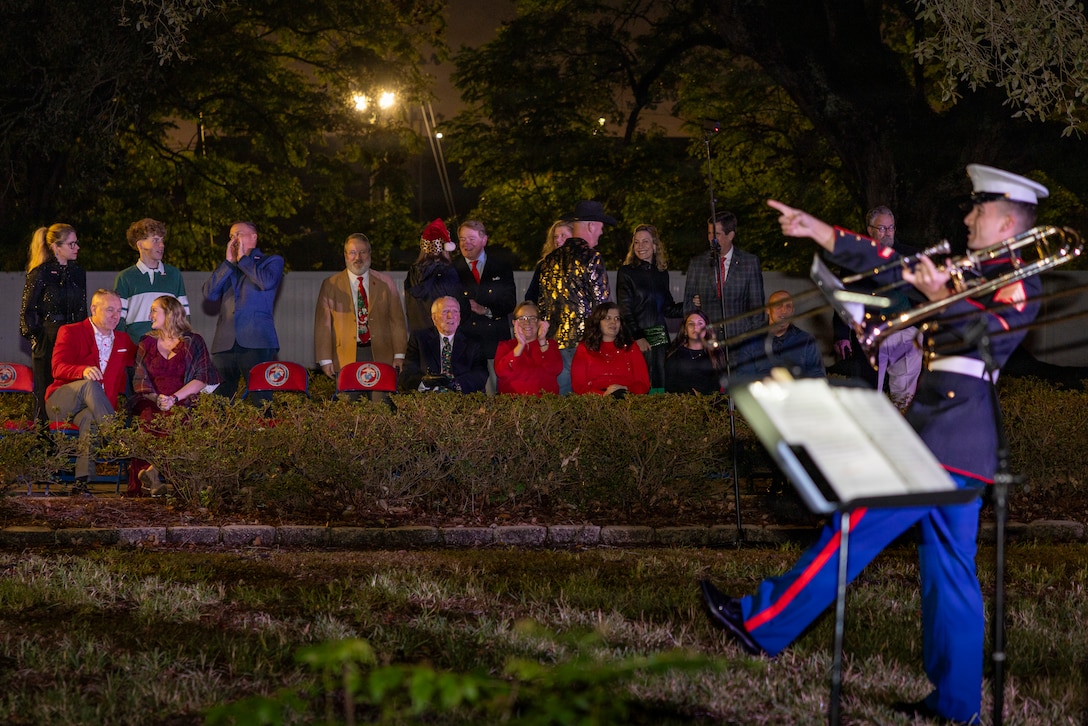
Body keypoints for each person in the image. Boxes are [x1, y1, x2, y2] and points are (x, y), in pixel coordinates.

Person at [700, 164, 1048, 725]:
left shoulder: (1020, 277)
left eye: (978, 211)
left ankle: (760, 625)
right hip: (953, 445)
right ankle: (956, 706)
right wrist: (820, 231)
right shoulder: (969, 269)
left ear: (1007, 222)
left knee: (850, 531)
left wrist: (941, 296)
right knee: (951, 575)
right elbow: (887, 262)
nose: (966, 218)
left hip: (949, 441)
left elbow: (986, 335)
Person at [44, 289, 136, 493]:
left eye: (119, 311)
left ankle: (82, 482)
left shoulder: (123, 340)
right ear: (94, 309)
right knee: (90, 384)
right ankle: (116, 438)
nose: (116, 316)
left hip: (94, 409)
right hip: (62, 401)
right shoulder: (71, 331)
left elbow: (143, 359)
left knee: (90, 419)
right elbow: (57, 368)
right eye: (110, 310)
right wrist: (82, 371)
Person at [127, 296, 220, 496]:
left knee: (181, 421)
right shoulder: (146, 342)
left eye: (154, 310)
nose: (149, 315)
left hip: (185, 400)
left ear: (170, 313)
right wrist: (157, 398)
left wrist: (174, 399)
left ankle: (154, 474)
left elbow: (202, 378)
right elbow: (140, 378)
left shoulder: (193, 341)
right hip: (154, 401)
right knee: (149, 420)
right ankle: (153, 479)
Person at [832, 205, 924, 407]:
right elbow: (845, 298)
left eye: (890, 228)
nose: (887, 233)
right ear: (870, 230)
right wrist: (841, 334)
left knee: (905, 394)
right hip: (871, 332)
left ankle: (900, 425)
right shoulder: (854, 259)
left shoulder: (911, 255)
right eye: (881, 228)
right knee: (869, 392)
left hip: (907, 331)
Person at [314, 233, 409, 393]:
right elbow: (323, 325)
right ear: (345, 255)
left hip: (382, 355)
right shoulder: (330, 285)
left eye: (362, 252)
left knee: (382, 404)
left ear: (369, 254)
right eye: (352, 252)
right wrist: (325, 359)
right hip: (344, 357)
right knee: (350, 405)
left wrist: (399, 355)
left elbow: (397, 321)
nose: (357, 257)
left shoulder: (386, 283)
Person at [536, 200, 613, 394]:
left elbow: (543, 305)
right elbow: (602, 305)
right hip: (585, 345)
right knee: (587, 401)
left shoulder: (549, 260)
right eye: (601, 227)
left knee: (561, 402)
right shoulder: (592, 257)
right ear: (591, 226)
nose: (602, 232)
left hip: (555, 345)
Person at [202, 221, 285, 400]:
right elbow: (209, 293)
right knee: (219, 398)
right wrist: (228, 262)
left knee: (259, 397)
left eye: (238, 234)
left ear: (253, 237)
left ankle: (263, 420)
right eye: (231, 236)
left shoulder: (271, 261)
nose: (234, 239)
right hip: (225, 342)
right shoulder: (227, 267)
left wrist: (243, 259)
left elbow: (266, 282)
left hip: (256, 341)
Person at [683, 211, 765, 377]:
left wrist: (750, 344)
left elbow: (757, 310)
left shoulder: (749, 263)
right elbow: (689, 307)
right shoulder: (697, 264)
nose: (711, 239)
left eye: (717, 234)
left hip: (740, 347)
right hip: (707, 348)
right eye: (709, 233)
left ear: (731, 235)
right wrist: (697, 340)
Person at [20, 223, 88, 424]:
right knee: (44, 390)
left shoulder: (78, 273)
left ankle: (70, 434)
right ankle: (43, 437)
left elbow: (82, 309)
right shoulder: (40, 273)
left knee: (73, 387)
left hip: (72, 338)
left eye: (76, 242)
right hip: (48, 338)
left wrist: (84, 337)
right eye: (71, 244)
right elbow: (27, 312)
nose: (77, 247)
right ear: (56, 247)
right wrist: (38, 340)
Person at [616, 224, 684, 390]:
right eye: (636, 242)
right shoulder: (626, 272)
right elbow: (625, 310)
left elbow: (668, 308)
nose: (640, 246)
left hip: (659, 337)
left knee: (660, 386)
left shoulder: (661, 273)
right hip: (638, 337)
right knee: (640, 386)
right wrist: (638, 337)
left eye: (645, 241)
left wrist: (692, 304)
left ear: (654, 245)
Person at [452, 220, 516, 395]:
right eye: (462, 239)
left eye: (471, 238)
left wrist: (486, 310)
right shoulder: (452, 270)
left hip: (494, 345)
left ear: (484, 240)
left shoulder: (501, 267)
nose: (466, 243)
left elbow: (510, 302)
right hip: (466, 347)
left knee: (496, 396)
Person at [114, 218, 190, 340]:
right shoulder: (125, 277)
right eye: (155, 240)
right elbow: (118, 318)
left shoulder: (174, 274)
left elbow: (184, 315)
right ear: (140, 244)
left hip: (168, 346)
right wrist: (123, 345)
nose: (162, 245)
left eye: (162, 240)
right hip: (135, 346)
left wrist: (184, 343)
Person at [399, 296, 487, 394]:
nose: (450, 316)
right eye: (445, 311)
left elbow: (481, 374)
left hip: (462, 397)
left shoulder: (474, 341)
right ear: (434, 318)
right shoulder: (419, 338)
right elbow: (407, 373)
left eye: (455, 311)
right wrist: (425, 382)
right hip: (428, 397)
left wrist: (455, 384)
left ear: (460, 317)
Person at [571, 302, 650, 396]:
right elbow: (579, 386)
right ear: (598, 322)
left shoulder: (630, 347)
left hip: (626, 397)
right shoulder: (585, 348)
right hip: (595, 400)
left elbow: (643, 384)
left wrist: (626, 389)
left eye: (617, 318)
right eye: (608, 318)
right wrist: (604, 395)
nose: (613, 322)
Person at [404, 218, 464, 332]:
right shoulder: (447, 272)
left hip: (419, 335)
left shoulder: (413, 273)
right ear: (445, 247)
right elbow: (456, 303)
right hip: (444, 334)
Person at [751, 290, 825, 379]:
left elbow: (818, 377)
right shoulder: (751, 340)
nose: (784, 310)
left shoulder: (806, 340)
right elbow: (742, 377)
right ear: (768, 309)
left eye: (788, 306)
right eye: (778, 305)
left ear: (793, 311)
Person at [494, 301, 562, 395]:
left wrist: (542, 341)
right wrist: (520, 345)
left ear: (539, 322)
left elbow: (556, 369)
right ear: (514, 322)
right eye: (522, 318)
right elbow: (501, 372)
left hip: (544, 402)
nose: (527, 322)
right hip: (514, 402)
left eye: (532, 318)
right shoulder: (505, 346)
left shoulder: (550, 344)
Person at [663, 311, 726, 395]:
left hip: (711, 402)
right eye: (691, 324)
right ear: (685, 330)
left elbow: (720, 385)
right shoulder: (675, 354)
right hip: (682, 401)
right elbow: (670, 387)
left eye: (700, 323)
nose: (695, 327)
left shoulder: (716, 353)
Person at [524, 219, 573, 303]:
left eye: (563, 236)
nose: (558, 240)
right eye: (555, 237)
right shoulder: (544, 265)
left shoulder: (582, 265)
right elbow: (531, 296)